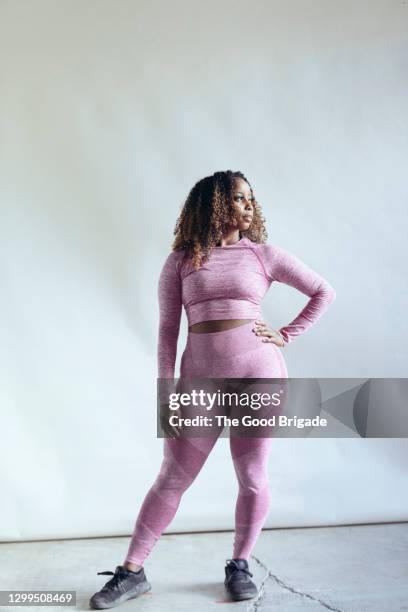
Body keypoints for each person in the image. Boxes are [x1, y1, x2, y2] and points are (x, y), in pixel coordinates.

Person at [89, 170, 336, 609]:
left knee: (253, 476)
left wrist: (286, 333)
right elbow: (168, 330)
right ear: (215, 204)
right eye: (240, 198)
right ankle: (132, 571)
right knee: (173, 477)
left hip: (259, 374)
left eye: (251, 199)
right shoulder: (182, 260)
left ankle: (240, 563)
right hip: (198, 381)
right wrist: (167, 390)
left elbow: (322, 291)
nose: (250, 206)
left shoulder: (263, 255)